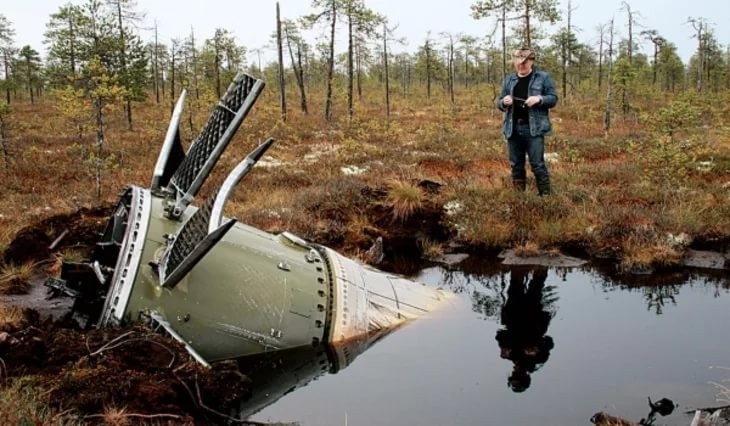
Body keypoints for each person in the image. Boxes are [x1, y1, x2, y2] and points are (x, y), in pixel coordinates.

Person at [497, 48, 558, 196]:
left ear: (531, 61)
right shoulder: (509, 80)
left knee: (537, 164)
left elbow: (553, 98)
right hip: (513, 129)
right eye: (517, 62)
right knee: (516, 165)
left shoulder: (542, 78)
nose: (520, 65)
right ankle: (519, 199)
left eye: (524, 62)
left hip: (534, 129)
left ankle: (546, 197)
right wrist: (504, 102)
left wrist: (539, 99)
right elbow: (498, 103)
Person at [495, 266, 554, 393]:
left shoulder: (509, 355)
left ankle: (518, 262)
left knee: (515, 284)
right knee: (536, 287)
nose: (515, 372)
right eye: (518, 376)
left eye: (513, 375)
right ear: (526, 376)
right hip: (532, 316)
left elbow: (499, 334)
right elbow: (549, 341)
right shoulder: (540, 359)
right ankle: (542, 262)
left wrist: (504, 346)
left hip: (513, 314)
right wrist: (537, 348)